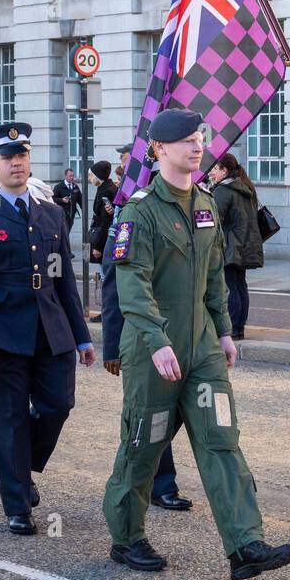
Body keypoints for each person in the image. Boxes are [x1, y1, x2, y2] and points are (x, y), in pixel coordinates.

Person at [105, 108, 290, 579]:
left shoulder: (207, 203)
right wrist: (155, 340)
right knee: (144, 443)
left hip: (203, 349)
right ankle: (127, 536)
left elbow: (214, 277)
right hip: (155, 352)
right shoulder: (140, 210)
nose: (197, 146)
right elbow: (132, 286)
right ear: (158, 149)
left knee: (221, 439)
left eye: (200, 138)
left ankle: (245, 545)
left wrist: (225, 331)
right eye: (186, 140)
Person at [0, 122, 96, 535]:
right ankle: (17, 504)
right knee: (9, 420)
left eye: (23, 156)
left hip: (51, 332)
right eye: (8, 158)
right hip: (2, 336)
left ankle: (22, 465)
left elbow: (63, 278)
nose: (17, 163)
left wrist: (82, 335)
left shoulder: (50, 212)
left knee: (58, 405)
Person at [99, 219, 192, 513]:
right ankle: (158, 482)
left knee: (183, 410)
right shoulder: (131, 217)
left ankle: (148, 474)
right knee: (153, 413)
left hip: (187, 332)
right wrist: (112, 346)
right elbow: (114, 285)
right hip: (145, 337)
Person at [207, 152, 263, 340]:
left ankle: (231, 329)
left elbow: (215, 219)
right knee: (240, 285)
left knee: (230, 287)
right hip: (246, 243)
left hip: (229, 244)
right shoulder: (246, 186)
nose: (211, 173)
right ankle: (239, 328)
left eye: (215, 169)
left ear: (224, 170)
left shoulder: (223, 190)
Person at [87, 160, 117, 263]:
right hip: (103, 235)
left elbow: (105, 221)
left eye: (90, 175)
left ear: (97, 176)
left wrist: (98, 246)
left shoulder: (106, 191)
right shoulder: (105, 188)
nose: (89, 178)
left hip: (104, 238)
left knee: (104, 272)